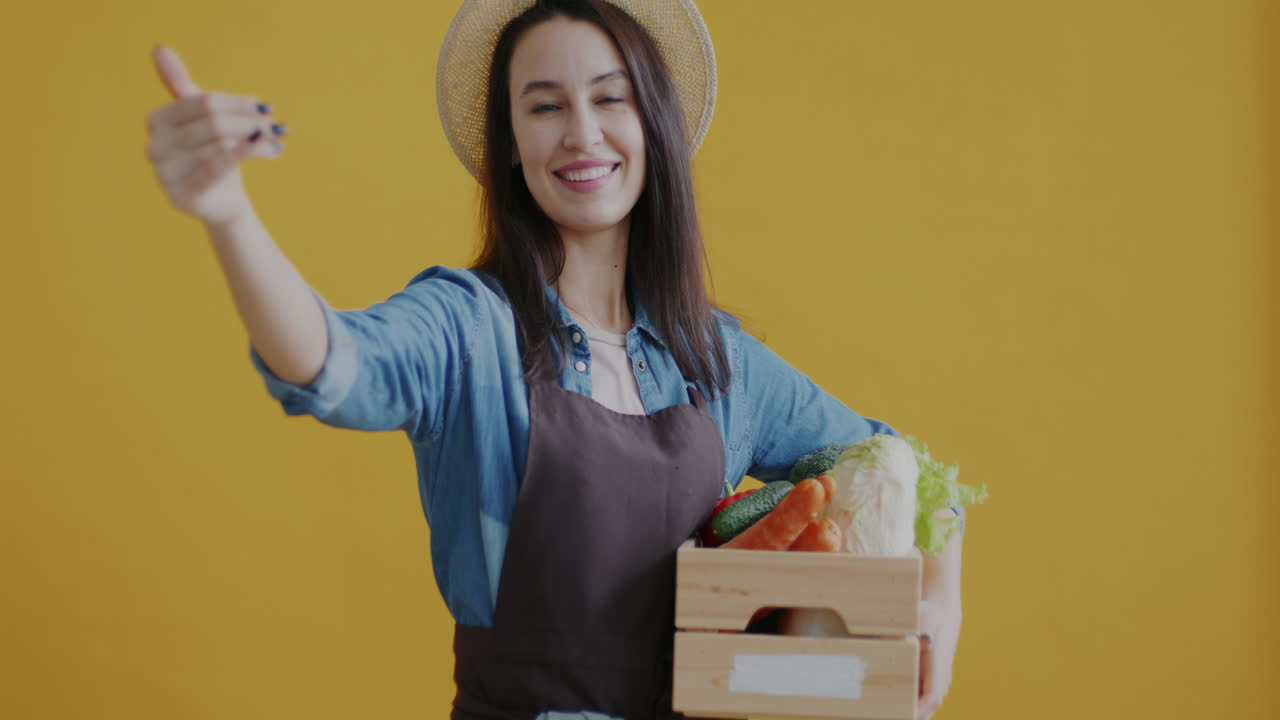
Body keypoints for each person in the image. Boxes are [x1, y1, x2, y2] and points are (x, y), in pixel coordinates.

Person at [144, 0, 966, 718]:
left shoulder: (719, 363)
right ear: (510, 143)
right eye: (544, 107)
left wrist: (938, 603)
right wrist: (228, 216)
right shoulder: (470, 330)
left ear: (653, 124)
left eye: (610, 98)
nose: (581, 133)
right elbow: (332, 364)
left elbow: (897, 465)